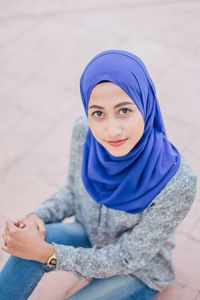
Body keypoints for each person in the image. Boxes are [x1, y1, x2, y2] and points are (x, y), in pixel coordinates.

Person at [0, 49, 197, 300]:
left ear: (145, 104)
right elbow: (73, 191)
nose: (111, 130)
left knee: (37, 251)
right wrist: (35, 217)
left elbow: (128, 257)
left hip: (138, 271)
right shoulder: (85, 131)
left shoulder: (178, 181)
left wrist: (48, 254)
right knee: (26, 247)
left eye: (124, 110)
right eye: (98, 113)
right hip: (90, 235)